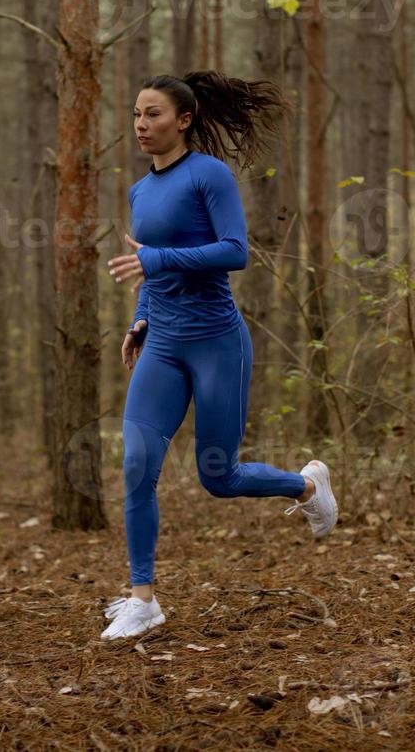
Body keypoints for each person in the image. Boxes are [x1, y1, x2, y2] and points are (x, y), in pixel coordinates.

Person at [100, 71, 338, 642]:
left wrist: (157, 262)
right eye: (137, 113)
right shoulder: (140, 190)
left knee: (219, 476)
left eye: (153, 113)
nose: (141, 124)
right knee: (137, 467)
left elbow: (234, 251)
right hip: (163, 344)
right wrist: (141, 316)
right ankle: (143, 598)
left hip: (215, 343)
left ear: (183, 121)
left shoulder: (209, 174)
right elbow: (148, 267)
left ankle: (307, 487)